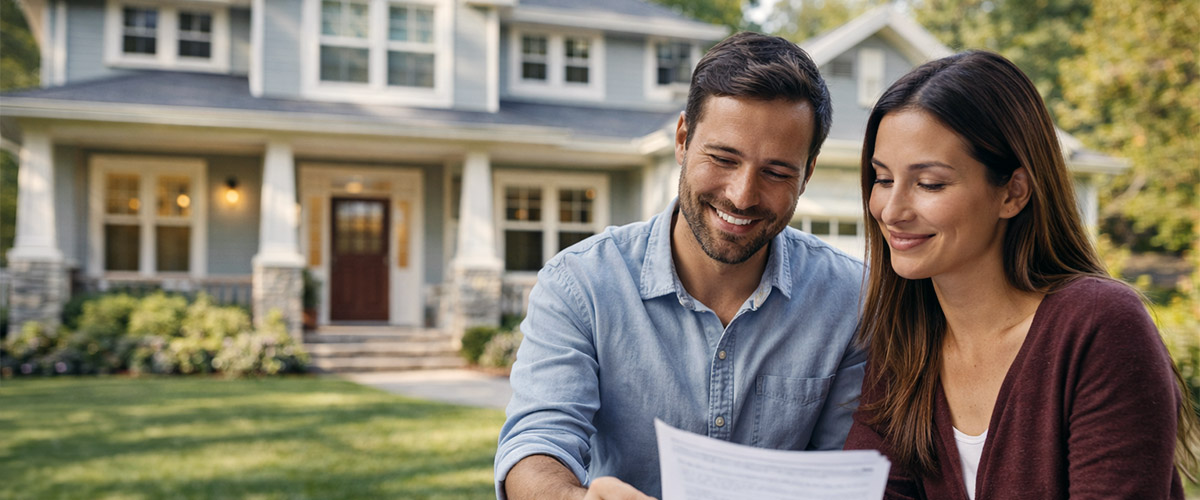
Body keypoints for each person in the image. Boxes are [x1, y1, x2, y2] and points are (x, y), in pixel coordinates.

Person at [494, 32, 867, 499]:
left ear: (807, 173)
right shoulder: (580, 285)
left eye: (776, 172)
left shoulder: (851, 298)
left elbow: (845, 471)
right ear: (683, 139)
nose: (742, 195)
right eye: (723, 158)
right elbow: (536, 443)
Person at [844, 50, 1200, 499]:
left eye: (930, 183)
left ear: (1013, 192)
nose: (892, 211)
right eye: (882, 179)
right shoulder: (905, 343)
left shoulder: (1100, 326)